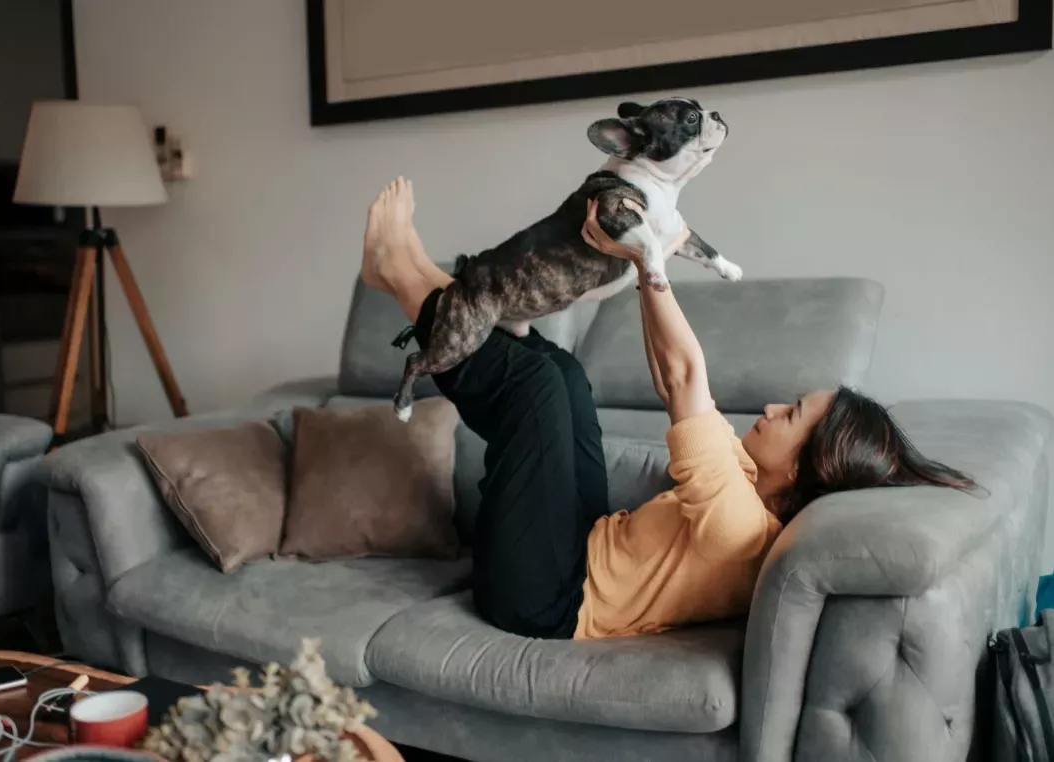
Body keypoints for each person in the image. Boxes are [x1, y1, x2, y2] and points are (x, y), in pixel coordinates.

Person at [361, 177, 975, 640]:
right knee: (565, 375)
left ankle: (400, 277)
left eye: (790, 415)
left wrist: (647, 260)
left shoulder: (737, 525)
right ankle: (414, 272)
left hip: (543, 600)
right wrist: (642, 265)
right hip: (577, 545)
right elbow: (668, 376)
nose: (769, 407)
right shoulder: (743, 483)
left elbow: (685, 377)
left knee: (535, 391)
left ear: (805, 471)